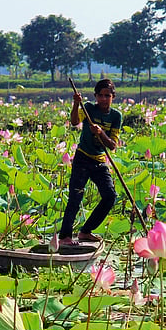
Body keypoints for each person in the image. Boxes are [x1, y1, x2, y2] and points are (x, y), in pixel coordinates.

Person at [59, 79, 121, 246]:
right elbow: (74, 122)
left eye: (107, 96)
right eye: (100, 95)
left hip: (99, 161)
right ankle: (65, 236)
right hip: (82, 158)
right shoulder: (88, 109)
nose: (103, 99)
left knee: (110, 196)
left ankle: (86, 231)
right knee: (75, 196)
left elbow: (112, 145)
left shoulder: (116, 116)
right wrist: (76, 105)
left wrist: (101, 133)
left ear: (112, 97)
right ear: (95, 96)